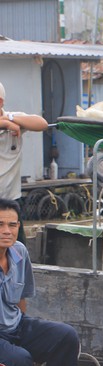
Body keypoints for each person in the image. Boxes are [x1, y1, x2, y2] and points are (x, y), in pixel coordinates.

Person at [0, 198, 80, 366]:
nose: (7, 231)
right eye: (0, 225)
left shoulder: (19, 252)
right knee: (20, 359)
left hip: (15, 326)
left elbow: (21, 299)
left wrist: (23, 335)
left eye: (12, 225)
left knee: (65, 336)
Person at [0, 82, 49, 245]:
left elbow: (42, 124)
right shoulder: (8, 125)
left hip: (11, 200)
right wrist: (6, 124)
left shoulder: (13, 118)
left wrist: (10, 119)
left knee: (17, 249)